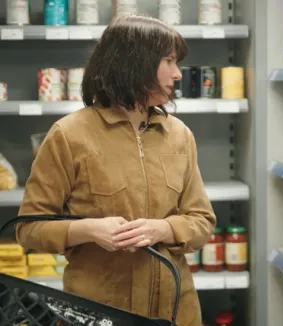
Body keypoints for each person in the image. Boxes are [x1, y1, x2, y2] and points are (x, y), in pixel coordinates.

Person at [16, 14, 216, 326]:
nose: (178, 74)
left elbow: (202, 221)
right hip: (97, 313)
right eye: (169, 61)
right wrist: (88, 230)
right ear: (134, 63)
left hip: (175, 312)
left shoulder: (179, 135)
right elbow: (28, 229)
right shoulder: (68, 135)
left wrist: (163, 229)